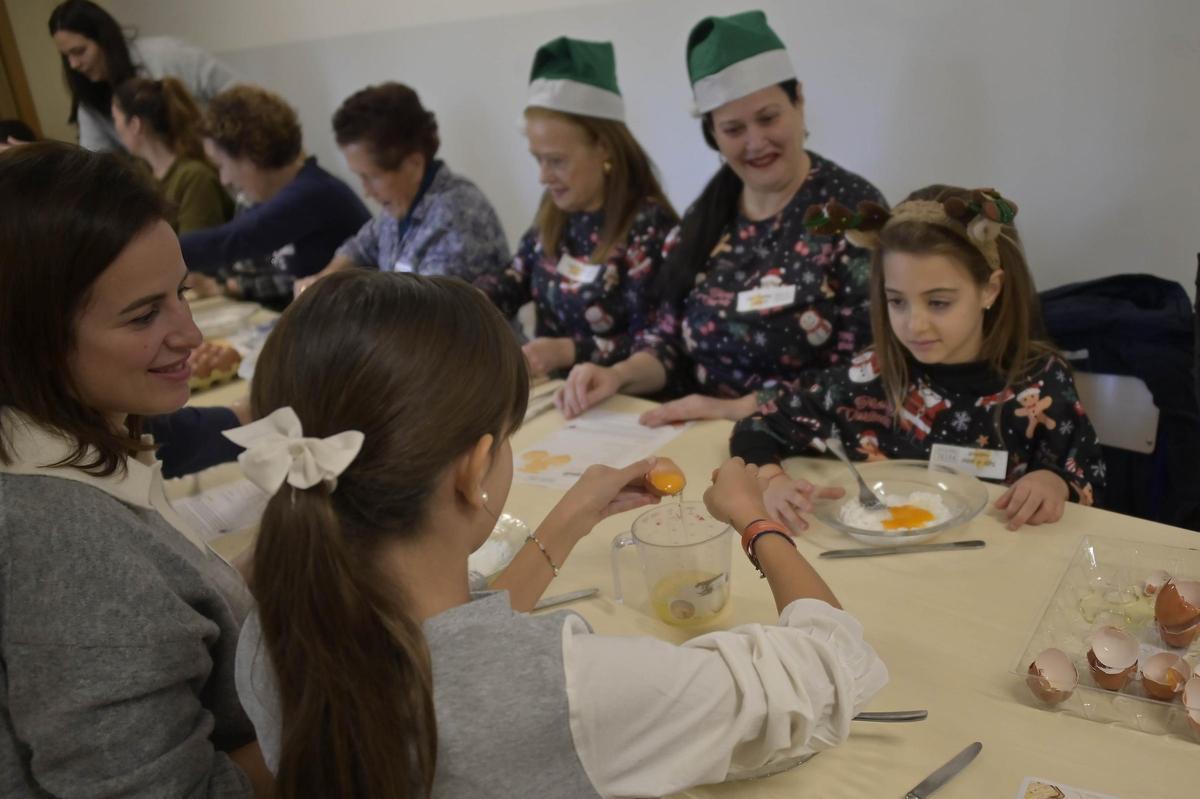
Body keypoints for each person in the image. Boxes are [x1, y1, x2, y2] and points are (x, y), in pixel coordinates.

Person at [230, 270, 887, 796]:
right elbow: (832, 669)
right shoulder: (570, 689)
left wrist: (567, 521)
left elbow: (455, 645)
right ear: (475, 469)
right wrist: (754, 517)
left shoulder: (275, 627)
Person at [0, 142, 270, 796]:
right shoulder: (61, 545)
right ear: (34, 337)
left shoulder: (74, 440)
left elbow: (155, 616)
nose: (187, 334)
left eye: (179, 293)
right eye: (144, 314)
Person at [556, 10, 886, 425]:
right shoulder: (705, 218)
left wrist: (734, 410)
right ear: (713, 134)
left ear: (799, 101)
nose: (755, 142)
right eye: (733, 129)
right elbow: (668, 343)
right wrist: (616, 376)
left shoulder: (850, 214)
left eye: (768, 118)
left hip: (810, 446)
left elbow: (871, 367)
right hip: (700, 436)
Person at [730, 186, 1106, 532]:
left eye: (939, 302)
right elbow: (759, 426)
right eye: (897, 301)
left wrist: (1054, 482)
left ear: (989, 289)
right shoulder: (871, 373)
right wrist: (772, 481)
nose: (915, 325)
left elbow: (1086, 475)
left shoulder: (1040, 381)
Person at [474, 37, 678, 378]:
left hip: (626, 405)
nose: (543, 176)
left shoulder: (648, 225)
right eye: (537, 159)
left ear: (604, 148)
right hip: (559, 398)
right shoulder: (555, 212)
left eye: (556, 161)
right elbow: (512, 280)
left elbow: (660, 343)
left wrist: (569, 350)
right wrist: (460, 302)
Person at [293, 83, 509, 295]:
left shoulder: (458, 217)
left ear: (413, 165)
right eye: (360, 177)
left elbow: (427, 315)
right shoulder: (400, 202)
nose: (366, 191)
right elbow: (362, 246)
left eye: (373, 176)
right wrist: (323, 279)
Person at [180, 85, 371, 306]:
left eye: (221, 165)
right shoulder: (288, 192)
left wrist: (159, 252)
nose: (224, 180)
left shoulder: (311, 193)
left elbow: (232, 241)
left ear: (248, 154)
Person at [49, 0, 236, 153]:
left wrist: (216, 144)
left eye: (79, 51)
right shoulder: (89, 103)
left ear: (104, 39)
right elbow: (97, 164)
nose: (73, 65)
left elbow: (238, 95)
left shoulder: (166, 55)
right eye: (66, 57)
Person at [113, 76, 233, 233]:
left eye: (116, 119)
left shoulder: (195, 178)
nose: (115, 128)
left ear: (135, 125)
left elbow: (196, 251)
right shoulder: (138, 175)